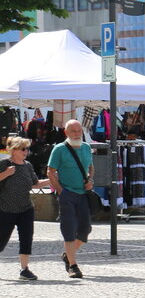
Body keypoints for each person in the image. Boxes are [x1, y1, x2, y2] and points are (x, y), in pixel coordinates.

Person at [46, 119, 94, 279]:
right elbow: (50, 171)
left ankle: (67, 255)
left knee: (85, 230)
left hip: (83, 194)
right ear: (66, 132)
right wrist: (61, 191)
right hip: (67, 194)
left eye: (79, 130)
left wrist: (90, 180)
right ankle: (73, 265)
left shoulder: (86, 147)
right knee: (69, 229)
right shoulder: (59, 149)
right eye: (73, 131)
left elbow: (91, 167)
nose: (77, 134)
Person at [0, 137, 51, 280]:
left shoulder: (28, 165)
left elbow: (35, 184)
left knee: (26, 239)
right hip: (6, 209)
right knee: (1, 240)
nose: (26, 151)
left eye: (27, 149)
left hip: (26, 209)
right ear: (14, 150)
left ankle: (24, 269)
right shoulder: (4, 164)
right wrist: (6, 173)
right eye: (23, 149)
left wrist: (52, 180)